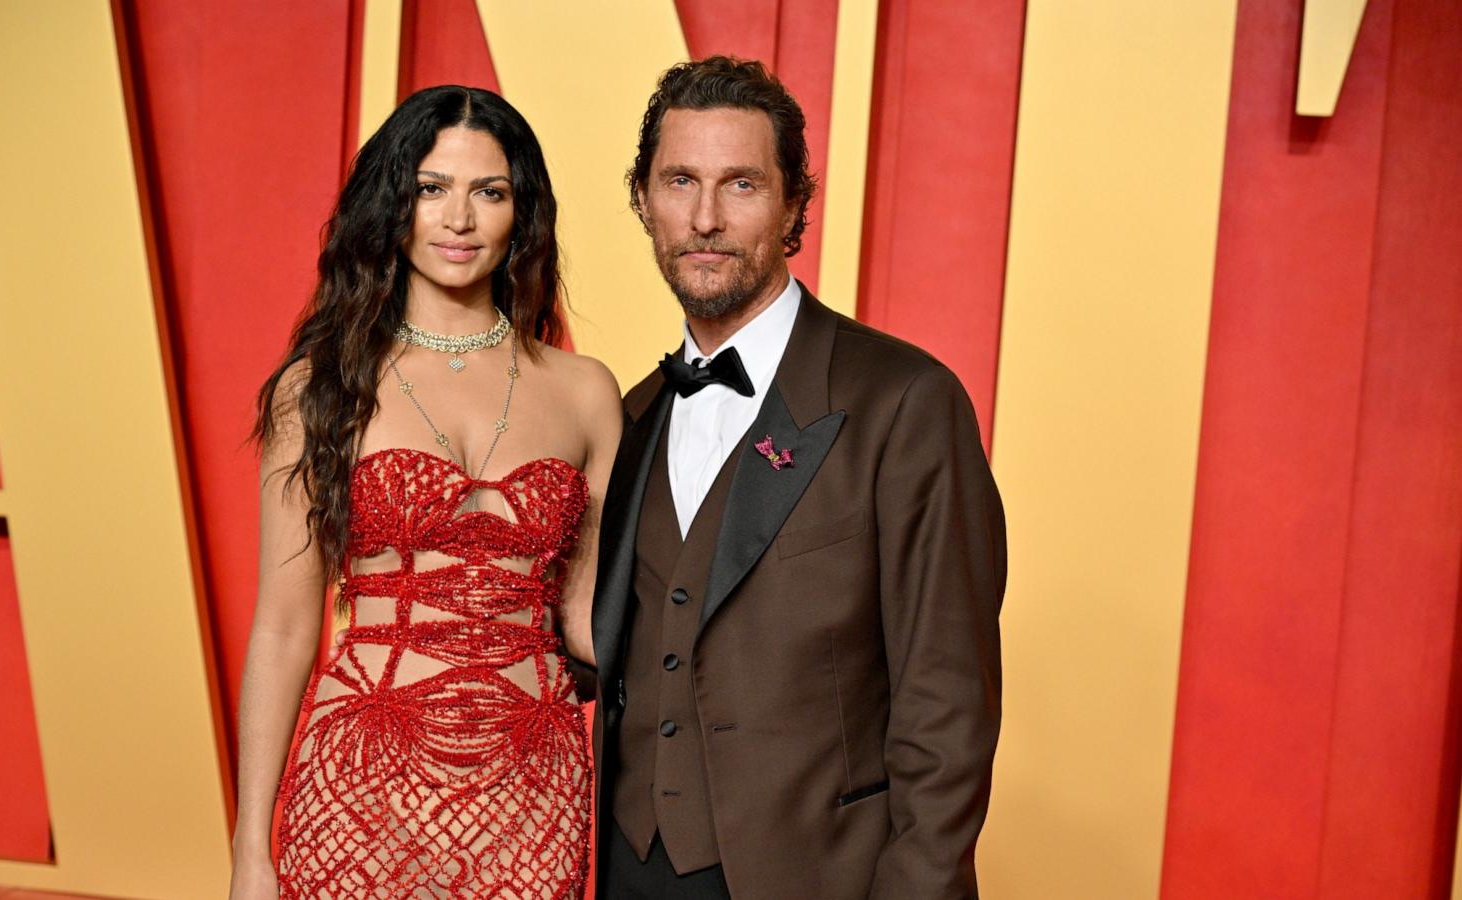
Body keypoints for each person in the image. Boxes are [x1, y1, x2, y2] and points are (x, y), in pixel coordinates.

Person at [588, 57, 1007, 900]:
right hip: (628, 872)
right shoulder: (624, 418)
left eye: (740, 185)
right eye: (680, 181)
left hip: (821, 876)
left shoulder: (905, 402)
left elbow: (946, 709)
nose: (704, 218)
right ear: (643, 200)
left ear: (793, 208)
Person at [228, 85, 621, 900]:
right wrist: (249, 856)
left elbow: (588, 619)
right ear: (394, 203)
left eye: (490, 191)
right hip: (359, 780)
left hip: (535, 783)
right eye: (431, 189)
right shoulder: (321, 388)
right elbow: (285, 624)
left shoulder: (585, 393)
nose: (459, 219)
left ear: (524, 212)